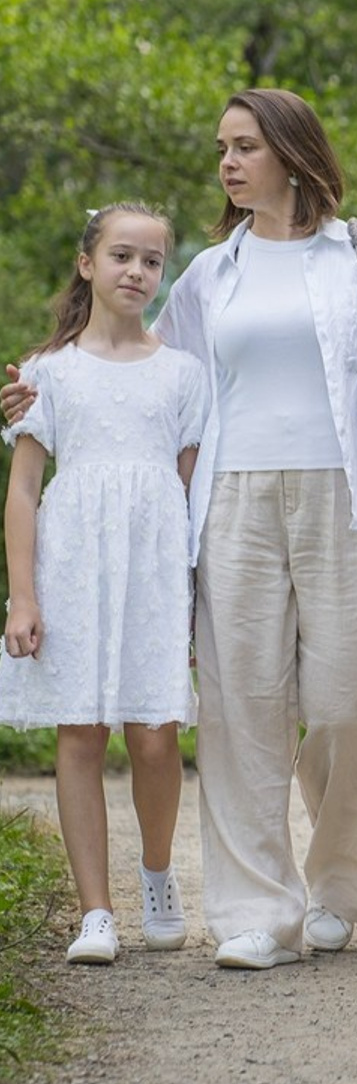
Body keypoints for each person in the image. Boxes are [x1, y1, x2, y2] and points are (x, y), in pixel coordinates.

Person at [4, 90, 357, 970]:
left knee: (349, 702)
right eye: (222, 148)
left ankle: (337, 886)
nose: (227, 163)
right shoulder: (212, 272)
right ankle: (256, 913)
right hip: (231, 502)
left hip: (350, 494)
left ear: (290, 153)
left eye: (245, 147)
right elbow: (137, 368)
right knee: (241, 707)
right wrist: (36, 387)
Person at [1, 203, 208, 964]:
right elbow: (23, 491)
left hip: (154, 570)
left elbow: (191, 494)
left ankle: (157, 874)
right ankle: (96, 910)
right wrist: (23, 595)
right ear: (87, 263)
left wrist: (194, 600)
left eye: (152, 261)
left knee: (155, 737)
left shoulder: (182, 373)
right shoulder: (47, 374)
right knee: (81, 731)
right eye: (122, 256)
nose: (137, 273)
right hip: (72, 565)